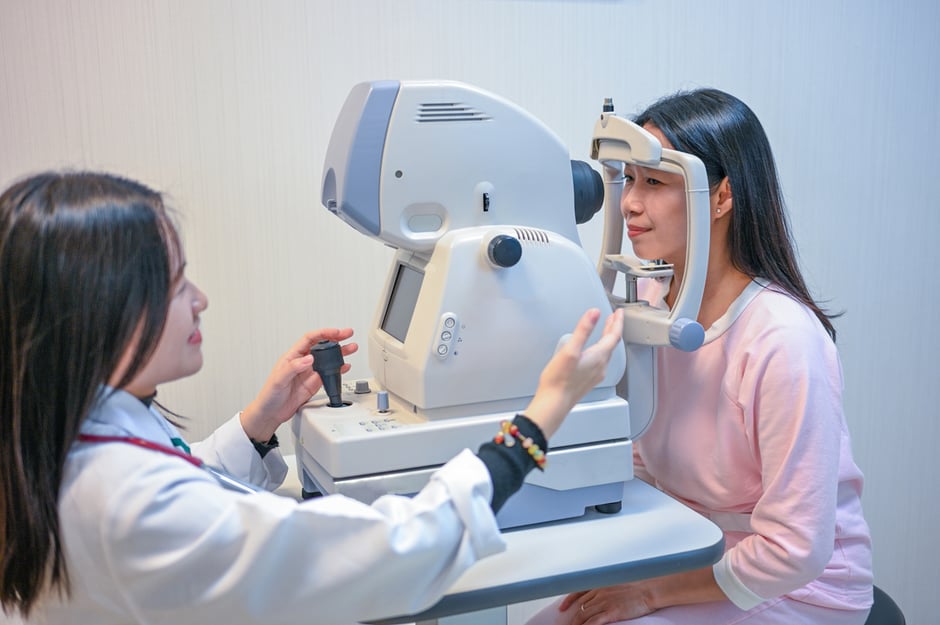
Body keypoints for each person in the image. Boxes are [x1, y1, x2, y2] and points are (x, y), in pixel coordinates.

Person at [0, 171, 625, 625]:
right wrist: (545, 411)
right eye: (175, 281)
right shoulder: (127, 505)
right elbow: (401, 550)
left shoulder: (63, 437)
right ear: (102, 310)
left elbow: (184, 482)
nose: (199, 300)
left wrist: (257, 425)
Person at [526, 89, 873, 625]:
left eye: (655, 182)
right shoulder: (654, 309)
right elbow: (645, 464)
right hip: (690, 550)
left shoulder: (781, 339)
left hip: (793, 590)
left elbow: (797, 549)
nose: (630, 203)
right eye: (631, 180)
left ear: (721, 195)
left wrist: (651, 592)